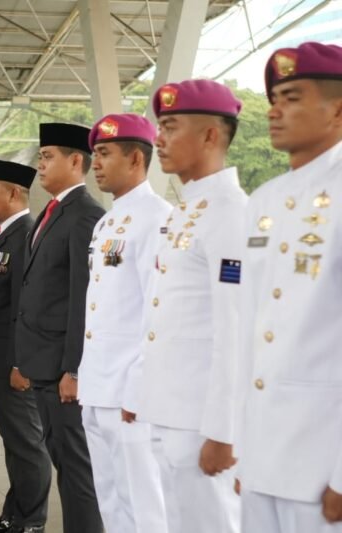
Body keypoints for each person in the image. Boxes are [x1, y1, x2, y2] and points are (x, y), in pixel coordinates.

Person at [236, 41, 342, 533]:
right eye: (274, 98)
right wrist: (244, 447)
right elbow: (250, 328)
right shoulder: (265, 199)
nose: (274, 111)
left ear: (337, 107)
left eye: (292, 97)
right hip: (265, 455)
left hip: (322, 462)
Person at [135, 80, 246, 533]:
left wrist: (224, 429)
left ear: (210, 136)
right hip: (172, 410)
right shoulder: (188, 209)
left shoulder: (231, 212)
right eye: (159, 127)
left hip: (203, 418)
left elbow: (235, 327)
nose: (159, 139)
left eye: (171, 127)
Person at [77, 114, 170, 533]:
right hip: (99, 385)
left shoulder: (157, 218)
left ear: (135, 159)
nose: (95, 163)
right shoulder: (108, 220)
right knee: (112, 501)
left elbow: (160, 311)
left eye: (104, 153)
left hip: (131, 392)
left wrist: (139, 384)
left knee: (145, 506)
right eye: (95, 153)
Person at [14, 123, 105, 533]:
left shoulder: (85, 216)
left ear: (75, 161)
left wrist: (74, 369)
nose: (41, 163)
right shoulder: (50, 214)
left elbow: (84, 298)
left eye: (48, 156)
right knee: (62, 459)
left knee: (76, 470)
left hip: (62, 369)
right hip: (43, 364)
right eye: (40, 156)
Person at [0, 159, 51, 533]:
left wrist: (21, 364)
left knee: (27, 444)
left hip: (11, 364)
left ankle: (31, 521)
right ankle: (13, 515)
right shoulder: (3, 235)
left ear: (14, 193)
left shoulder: (26, 236)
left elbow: (25, 306)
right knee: (15, 444)